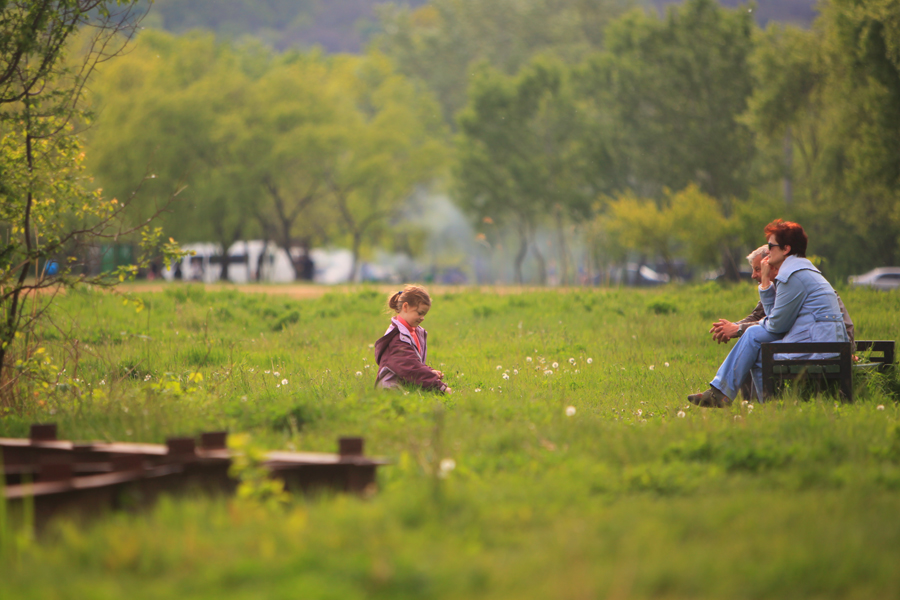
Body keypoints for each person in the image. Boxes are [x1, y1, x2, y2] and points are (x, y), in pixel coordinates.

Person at [689, 219, 849, 407]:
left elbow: (776, 325)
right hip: (820, 345)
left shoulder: (793, 276)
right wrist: (765, 282)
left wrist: (764, 284)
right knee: (758, 352)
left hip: (818, 350)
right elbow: (776, 320)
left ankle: (722, 394)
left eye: (771, 246)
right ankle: (766, 407)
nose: (768, 251)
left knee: (753, 335)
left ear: (786, 249)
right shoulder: (800, 271)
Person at [374, 285, 451, 394]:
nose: (422, 318)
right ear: (405, 307)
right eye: (420, 313)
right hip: (390, 393)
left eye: (424, 314)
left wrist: (429, 371)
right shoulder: (397, 339)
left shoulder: (413, 331)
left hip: (406, 390)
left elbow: (414, 361)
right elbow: (412, 369)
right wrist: (440, 387)